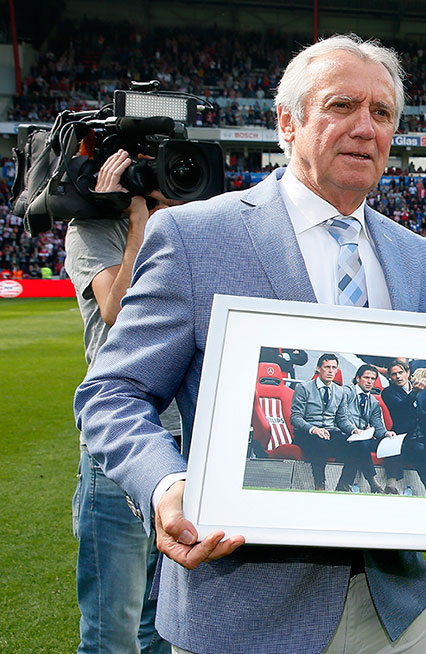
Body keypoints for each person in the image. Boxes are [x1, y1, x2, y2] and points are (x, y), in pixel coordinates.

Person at [74, 34, 426, 654]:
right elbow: (111, 394)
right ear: (288, 122)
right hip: (245, 612)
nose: (364, 127)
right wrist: (167, 484)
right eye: (340, 106)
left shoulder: (416, 256)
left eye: (381, 113)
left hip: (393, 609)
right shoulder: (195, 236)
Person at [66, 150, 176, 654]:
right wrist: (138, 222)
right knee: (113, 623)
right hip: (118, 440)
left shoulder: (185, 224)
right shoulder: (89, 230)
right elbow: (116, 309)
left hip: (180, 439)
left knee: (165, 621)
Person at [381, 362, 426, 496]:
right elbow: (402, 409)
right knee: (418, 449)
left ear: (408, 373)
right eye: (394, 374)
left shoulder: (423, 389)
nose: (398, 376)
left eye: (401, 372)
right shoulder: (388, 392)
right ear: (390, 377)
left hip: (425, 434)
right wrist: (414, 393)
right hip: (405, 437)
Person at [335, 363, 395, 493]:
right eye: (366, 377)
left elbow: (378, 426)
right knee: (360, 444)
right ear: (358, 378)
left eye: (373, 379)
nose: (369, 381)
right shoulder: (346, 392)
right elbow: (341, 418)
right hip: (346, 435)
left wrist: (386, 433)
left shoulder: (373, 401)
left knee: (391, 443)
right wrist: (354, 430)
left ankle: (392, 485)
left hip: (363, 437)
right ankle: (373, 483)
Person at [290, 353, 346, 491]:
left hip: (330, 431)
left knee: (357, 445)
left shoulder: (341, 391)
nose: (331, 371)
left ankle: (344, 484)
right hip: (306, 433)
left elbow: (342, 419)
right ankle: (319, 484)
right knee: (319, 443)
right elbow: (295, 417)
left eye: (334, 368)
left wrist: (355, 431)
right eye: (327, 367)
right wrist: (313, 429)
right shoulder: (303, 388)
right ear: (318, 368)